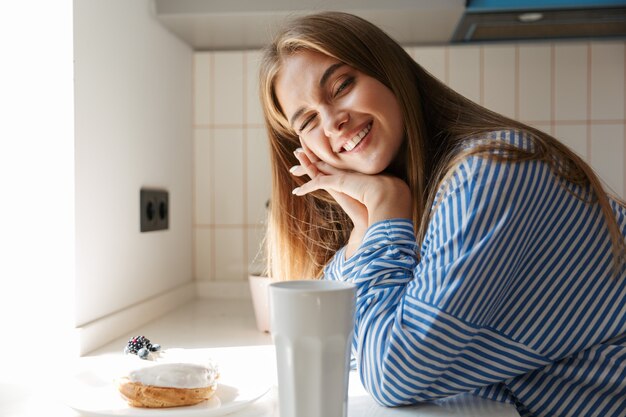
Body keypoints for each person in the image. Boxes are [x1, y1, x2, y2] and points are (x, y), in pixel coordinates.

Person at [258, 11, 626, 417]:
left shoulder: (492, 169)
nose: (331, 121)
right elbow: (338, 345)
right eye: (307, 121)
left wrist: (382, 214)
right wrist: (365, 228)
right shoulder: (415, 202)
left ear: (390, 73)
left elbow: (391, 375)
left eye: (342, 85)